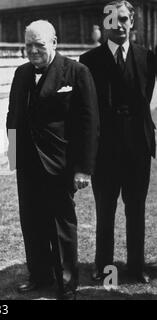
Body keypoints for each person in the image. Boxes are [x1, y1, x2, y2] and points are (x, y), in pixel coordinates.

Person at [7, 20, 99, 299]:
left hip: (60, 165)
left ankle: (66, 284)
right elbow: (13, 116)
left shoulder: (76, 72)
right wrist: (12, 158)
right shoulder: (21, 73)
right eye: (28, 45)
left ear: (54, 43)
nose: (33, 51)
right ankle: (38, 275)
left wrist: (83, 169)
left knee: (61, 226)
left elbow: (89, 123)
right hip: (28, 164)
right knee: (32, 223)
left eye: (39, 45)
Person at [79, 0, 155, 284]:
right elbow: (86, 109)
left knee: (136, 211)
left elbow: (144, 99)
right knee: (105, 212)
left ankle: (136, 268)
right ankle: (103, 266)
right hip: (105, 152)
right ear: (104, 25)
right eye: (113, 20)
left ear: (132, 22)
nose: (119, 25)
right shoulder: (88, 61)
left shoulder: (147, 58)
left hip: (137, 149)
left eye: (123, 19)